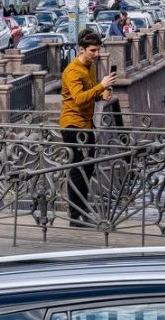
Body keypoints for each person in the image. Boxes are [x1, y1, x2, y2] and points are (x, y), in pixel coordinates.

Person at [59, 32, 117, 227]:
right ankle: (74, 217)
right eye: (93, 50)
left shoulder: (90, 66)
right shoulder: (72, 71)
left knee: (88, 167)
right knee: (77, 170)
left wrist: (101, 96)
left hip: (86, 124)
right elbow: (78, 99)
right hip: (72, 125)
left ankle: (82, 210)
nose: (96, 54)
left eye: (98, 50)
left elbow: (89, 96)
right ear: (81, 50)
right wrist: (101, 86)